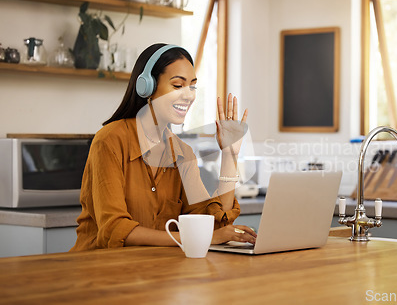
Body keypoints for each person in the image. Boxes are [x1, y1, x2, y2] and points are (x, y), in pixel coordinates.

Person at [70, 43, 257, 251]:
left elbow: (214, 226)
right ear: (147, 86)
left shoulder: (183, 153)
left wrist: (229, 156)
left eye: (192, 86)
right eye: (178, 86)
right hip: (98, 271)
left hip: (156, 272)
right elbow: (115, 228)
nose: (189, 95)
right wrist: (203, 238)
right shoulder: (109, 140)